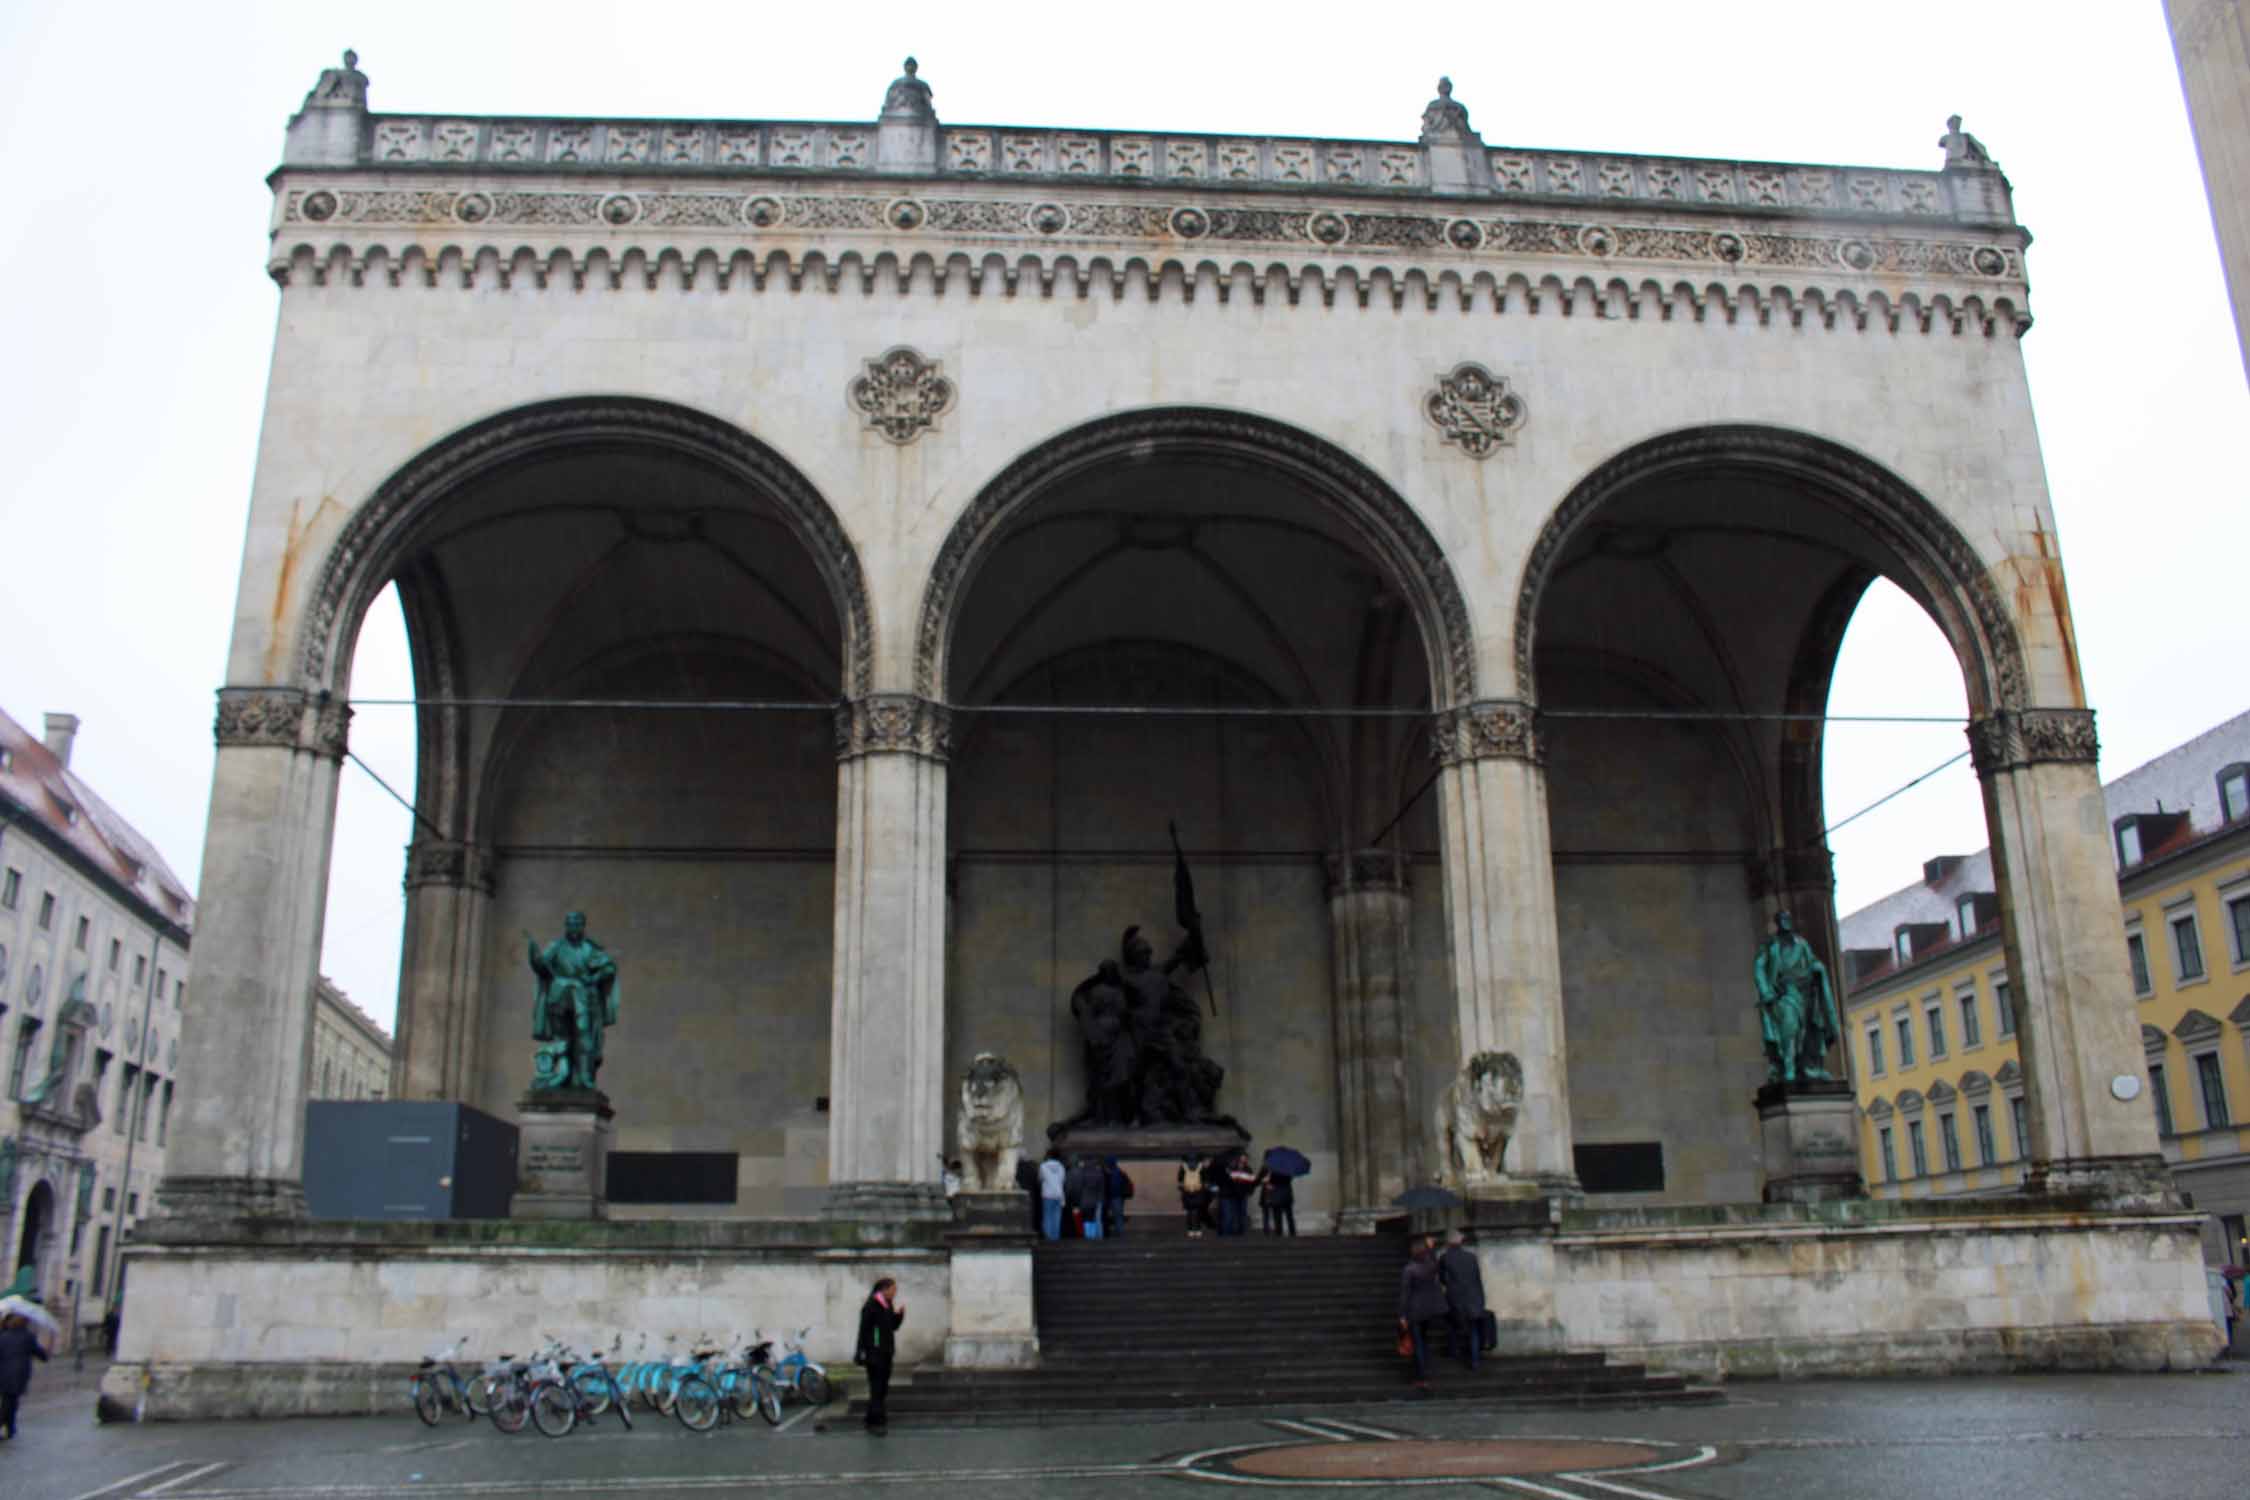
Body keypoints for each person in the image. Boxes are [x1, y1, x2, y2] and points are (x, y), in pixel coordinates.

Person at [852, 1277, 905, 1435]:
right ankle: (877, 1422)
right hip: (874, 1354)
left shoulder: (887, 1305)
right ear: (884, 1289)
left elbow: (892, 1327)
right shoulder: (871, 1306)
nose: (895, 1293)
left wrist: (899, 1316)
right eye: (893, 1290)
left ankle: (871, 1419)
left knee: (882, 1388)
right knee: (877, 1387)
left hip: (886, 1352)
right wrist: (861, 1351)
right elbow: (863, 1331)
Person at [1397, 1241, 1449, 1393]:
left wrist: (1401, 1314)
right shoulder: (1431, 1266)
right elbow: (1434, 1260)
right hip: (1429, 1309)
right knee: (1423, 1340)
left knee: (1417, 1342)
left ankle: (1421, 1376)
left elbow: (1405, 1294)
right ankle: (1424, 1370)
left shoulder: (1409, 1269)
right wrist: (1431, 1248)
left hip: (1415, 1310)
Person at [1438, 1229, 1487, 1371]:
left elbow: (1442, 1279)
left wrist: (1450, 1285)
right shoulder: (1471, 1257)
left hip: (1454, 1297)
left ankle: (1454, 1350)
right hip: (1473, 1296)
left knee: (1452, 1324)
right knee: (1473, 1329)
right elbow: (1477, 1278)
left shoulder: (1445, 1258)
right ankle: (1475, 1360)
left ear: (1448, 1242)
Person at [0, 1311, 50, 1441]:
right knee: (10, 1401)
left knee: (9, 1400)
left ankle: (10, 1427)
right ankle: (7, 1426)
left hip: (4, 1373)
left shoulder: (3, 1336)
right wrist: (46, 1351)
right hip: (19, 1373)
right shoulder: (28, 1337)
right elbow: (41, 1355)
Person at [1220, 1151, 1258, 1237]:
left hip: (1242, 1194)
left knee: (1242, 1213)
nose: (1244, 1160)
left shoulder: (1248, 1169)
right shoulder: (1231, 1168)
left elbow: (1251, 1182)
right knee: (1232, 1213)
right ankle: (1230, 1232)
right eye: (1242, 1158)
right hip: (1233, 1194)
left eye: (1245, 1158)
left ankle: (1240, 1231)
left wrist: (1250, 1191)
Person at [1071, 1155, 1106, 1240]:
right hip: (1097, 1199)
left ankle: (1088, 1236)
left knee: (1087, 1219)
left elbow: (1079, 1187)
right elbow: (1102, 1188)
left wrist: (1077, 1199)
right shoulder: (1099, 1174)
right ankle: (1097, 1235)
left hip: (1085, 1200)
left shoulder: (1082, 1174)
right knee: (1096, 1218)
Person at [1178, 1154, 1211, 1239]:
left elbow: (1180, 1181)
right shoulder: (1201, 1167)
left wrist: (1184, 1189)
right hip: (1198, 1192)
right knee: (1198, 1212)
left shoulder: (1183, 1167)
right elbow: (1206, 1181)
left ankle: (1190, 1230)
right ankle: (1198, 1229)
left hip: (1187, 1192)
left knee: (1190, 1212)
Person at [1038, 1148, 1067, 1242]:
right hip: (1058, 1194)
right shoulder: (1061, 1167)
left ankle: (1048, 1236)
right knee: (1056, 1217)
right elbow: (1063, 1180)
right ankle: (1055, 1237)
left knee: (1047, 1216)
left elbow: (1040, 1179)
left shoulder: (1043, 1166)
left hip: (1047, 1194)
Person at [1102, 1157, 1131, 1238]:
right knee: (1118, 1216)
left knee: (1114, 1216)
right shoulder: (1120, 1172)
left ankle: (1115, 1233)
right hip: (1118, 1197)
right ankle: (1119, 1232)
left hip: (1113, 1197)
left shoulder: (1110, 1173)